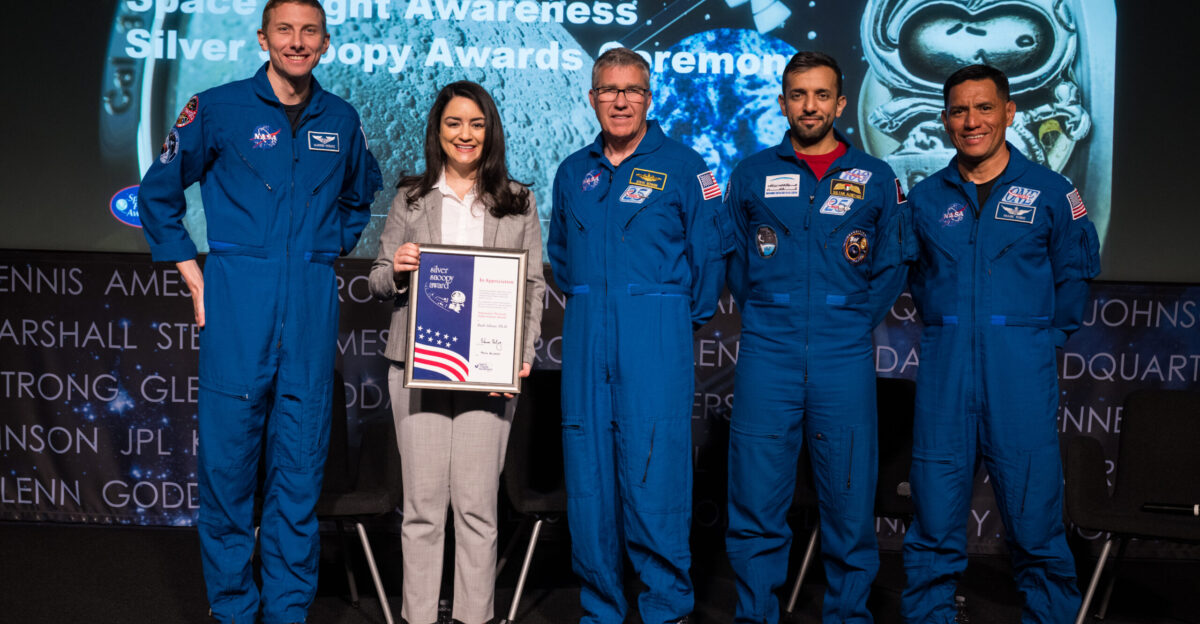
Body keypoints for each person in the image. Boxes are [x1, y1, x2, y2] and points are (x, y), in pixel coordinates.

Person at [136, 1, 383, 622]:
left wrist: (324, 249)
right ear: (263, 38)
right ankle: (232, 609)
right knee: (228, 471)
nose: (296, 42)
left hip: (309, 303)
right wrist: (195, 277)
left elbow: (359, 197)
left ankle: (287, 609)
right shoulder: (217, 108)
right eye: (285, 31)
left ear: (325, 43)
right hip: (237, 301)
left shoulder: (341, 118)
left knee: (298, 477)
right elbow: (157, 194)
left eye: (309, 32)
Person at [901, 64, 1100, 624]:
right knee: (935, 524)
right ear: (944, 119)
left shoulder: (1052, 191)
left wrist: (1037, 340)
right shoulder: (923, 198)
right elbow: (918, 282)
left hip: (1020, 371)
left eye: (984, 107)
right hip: (945, 375)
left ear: (1009, 112)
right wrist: (951, 329)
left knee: (1035, 523)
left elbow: (1074, 276)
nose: (972, 121)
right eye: (960, 110)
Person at [723, 51, 910, 624]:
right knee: (756, 500)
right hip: (768, 352)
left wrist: (854, 319)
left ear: (840, 102)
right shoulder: (752, 173)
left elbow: (893, 264)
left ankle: (849, 616)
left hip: (842, 354)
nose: (810, 106)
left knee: (850, 504)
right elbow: (734, 260)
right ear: (783, 103)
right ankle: (756, 615)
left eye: (821, 95)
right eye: (798, 95)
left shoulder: (875, 178)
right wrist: (768, 315)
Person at [547, 47, 728, 624]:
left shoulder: (687, 166)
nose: (620, 101)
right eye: (608, 90)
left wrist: (668, 320)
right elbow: (560, 257)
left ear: (650, 99)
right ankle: (601, 608)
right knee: (589, 479)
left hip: (655, 334)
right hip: (586, 334)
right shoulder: (574, 171)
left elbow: (710, 259)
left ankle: (666, 608)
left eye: (632, 91)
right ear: (593, 97)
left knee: (656, 474)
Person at [368, 80, 545, 624]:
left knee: (476, 508)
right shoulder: (411, 198)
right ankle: (418, 618)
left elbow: (533, 286)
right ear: (438, 131)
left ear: (489, 131)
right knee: (422, 510)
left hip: (487, 371)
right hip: (418, 370)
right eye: (453, 124)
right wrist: (396, 269)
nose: (464, 135)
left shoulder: (518, 200)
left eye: (475, 124)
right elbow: (377, 280)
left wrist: (521, 352)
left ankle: (474, 618)